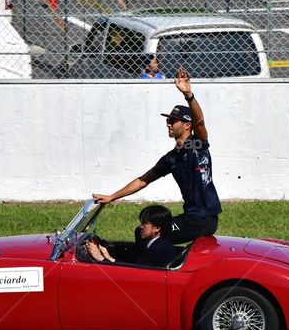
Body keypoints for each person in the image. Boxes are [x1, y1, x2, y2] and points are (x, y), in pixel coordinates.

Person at [93, 66, 221, 244]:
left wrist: (188, 94)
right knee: (143, 230)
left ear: (186, 125)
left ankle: (151, 268)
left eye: (172, 120)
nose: (168, 124)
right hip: (191, 216)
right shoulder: (172, 158)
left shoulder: (197, 144)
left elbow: (199, 121)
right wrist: (112, 197)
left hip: (203, 219)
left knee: (148, 233)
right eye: (167, 120)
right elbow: (143, 180)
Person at [84, 205, 178, 267]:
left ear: (157, 228)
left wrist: (100, 258)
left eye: (144, 223)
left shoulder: (159, 249)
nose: (141, 227)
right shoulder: (157, 243)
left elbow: (135, 270)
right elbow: (135, 264)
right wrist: (109, 258)